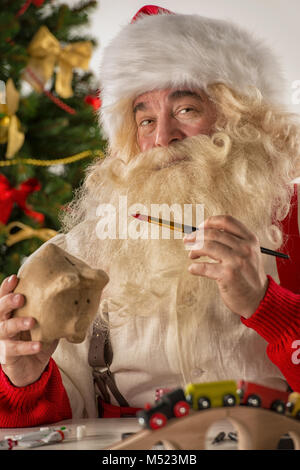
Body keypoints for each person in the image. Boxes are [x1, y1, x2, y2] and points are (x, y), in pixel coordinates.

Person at [0, 5, 300, 427]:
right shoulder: (78, 254)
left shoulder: (295, 225)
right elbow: (48, 423)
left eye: (186, 110)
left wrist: (264, 304)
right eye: (145, 120)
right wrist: (24, 378)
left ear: (240, 120)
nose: (162, 138)